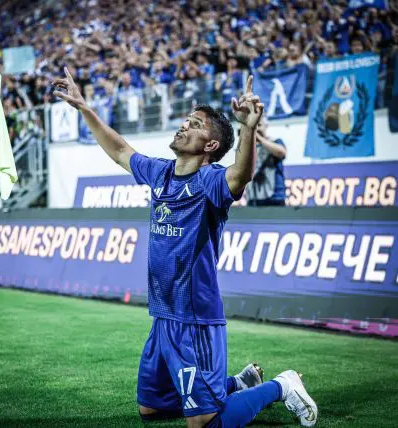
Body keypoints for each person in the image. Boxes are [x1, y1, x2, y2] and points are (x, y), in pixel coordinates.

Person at [52, 68, 317, 428]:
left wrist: (248, 129)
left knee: (204, 424)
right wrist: (84, 108)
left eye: (195, 124)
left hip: (195, 320)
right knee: (152, 409)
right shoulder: (160, 173)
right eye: (187, 120)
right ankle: (236, 385)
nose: (184, 125)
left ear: (210, 146)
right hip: (164, 315)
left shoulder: (210, 181)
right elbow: (119, 149)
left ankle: (281, 386)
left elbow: (240, 175)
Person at [246, 118, 287, 207]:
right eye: (253, 127)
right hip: (253, 199)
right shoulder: (247, 147)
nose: (256, 129)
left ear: (266, 126)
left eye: (259, 125)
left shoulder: (275, 141)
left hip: (274, 198)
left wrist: (259, 139)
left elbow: (281, 152)